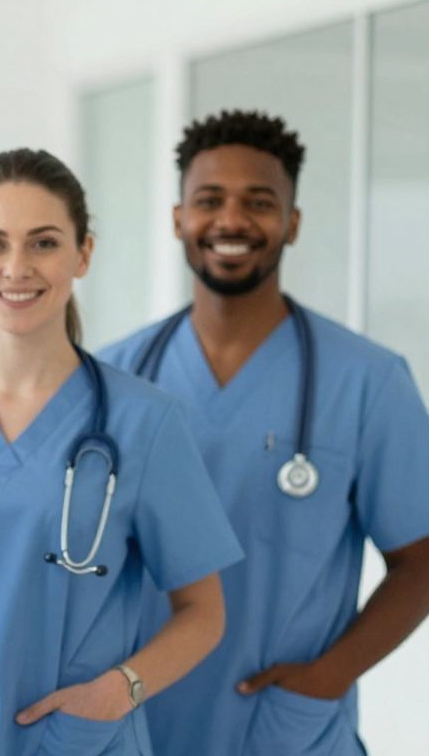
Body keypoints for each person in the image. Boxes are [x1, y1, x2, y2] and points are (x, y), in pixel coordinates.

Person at [0, 148, 241, 755]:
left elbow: (203, 613)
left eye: (44, 243)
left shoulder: (144, 421)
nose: (16, 268)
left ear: (83, 254)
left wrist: (121, 691)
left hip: (78, 741)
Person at [100, 110, 429, 755]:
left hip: (284, 732)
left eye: (259, 202)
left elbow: (420, 561)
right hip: (137, 723)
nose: (232, 221)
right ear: (177, 218)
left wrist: (326, 680)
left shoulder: (368, 381)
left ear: (293, 222)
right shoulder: (112, 377)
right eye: (209, 200)